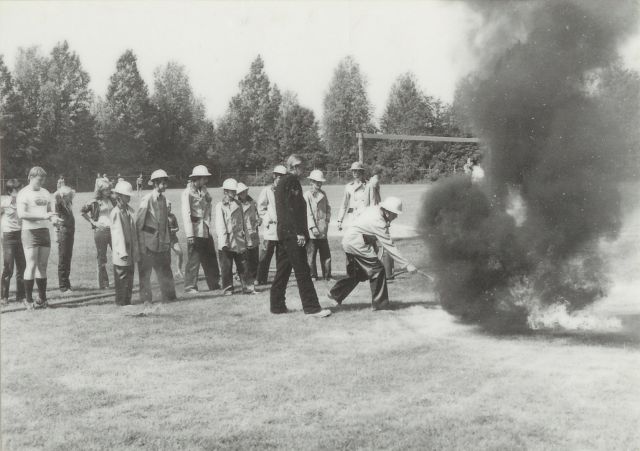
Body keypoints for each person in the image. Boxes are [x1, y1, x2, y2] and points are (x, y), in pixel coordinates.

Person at [327, 197, 417, 310]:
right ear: (388, 212)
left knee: (358, 274)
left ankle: (335, 294)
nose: (397, 216)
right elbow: (389, 245)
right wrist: (407, 264)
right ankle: (380, 306)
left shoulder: (374, 210)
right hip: (356, 244)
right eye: (395, 214)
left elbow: (365, 228)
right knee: (377, 270)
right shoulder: (378, 222)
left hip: (349, 241)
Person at [270, 154, 331, 317]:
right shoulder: (291, 182)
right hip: (292, 234)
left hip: (284, 233)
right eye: (301, 166)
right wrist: (299, 232)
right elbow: (292, 209)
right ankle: (312, 308)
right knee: (303, 270)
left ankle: (277, 306)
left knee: (283, 270)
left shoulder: (281, 182)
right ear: (293, 167)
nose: (303, 169)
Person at [16, 167, 59, 309]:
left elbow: (48, 211)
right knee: (32, 265)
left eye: (43, 180)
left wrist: (53, 218)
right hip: (30, 231)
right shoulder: (23, 193)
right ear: (30, 177)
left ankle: (42, 298)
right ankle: (28, 300)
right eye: (39, 180)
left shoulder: (46, 192)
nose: (41, 182)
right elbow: (22, 214)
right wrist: (43, 216)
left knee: (42, 266)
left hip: (44, 230)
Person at [136, 169, 177, 307]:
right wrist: (141, 245)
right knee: (145, 273)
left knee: (164, 269)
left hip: (162, 242)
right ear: (155, 183)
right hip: (148, 243)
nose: (165, 185)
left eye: (166, 182)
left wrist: (167, 241)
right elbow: (139, 223)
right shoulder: (147, 199)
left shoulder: (164, 199)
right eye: (163, 183)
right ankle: (146, 299)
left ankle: (169, 296)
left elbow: (164, 223)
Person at [181, 165, 220, 293]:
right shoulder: (187, 193)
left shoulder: (204, 190)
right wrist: (190, 235)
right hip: (195, 229)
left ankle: (214, 284)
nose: (206, 181)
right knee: (194, 258)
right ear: (197, 178)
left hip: (205, 228)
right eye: (204, 178)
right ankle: (190, 286)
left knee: (210, 257)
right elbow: (186, 214)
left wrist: (208, 223)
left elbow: (208, 206)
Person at [215, 178, 254, 295]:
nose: (234, 193)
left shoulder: (238, 204)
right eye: (232, 191)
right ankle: (228, 288)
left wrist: (248, 240)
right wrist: (223, 243)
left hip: (239, 240)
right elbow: (220, 225)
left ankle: (248, 287)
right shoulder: (220, 206)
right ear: (225, 191)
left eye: (235, 190)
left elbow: (243, 223)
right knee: (226, 266)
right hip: (227, 241)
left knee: (243, 265)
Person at [81, 178, 115, 289]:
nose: (108, 191)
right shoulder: (94, 201)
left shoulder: (113, 200)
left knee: (118, 255)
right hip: (101, 231)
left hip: (113, 230)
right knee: (102, 258)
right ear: (100, 191)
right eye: (105, 190)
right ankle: (104, 284)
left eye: (109, 189)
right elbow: (83, 212)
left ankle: (119, 280)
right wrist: (93, 222)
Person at [256, 165, 286, 285]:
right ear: (274, 176)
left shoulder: (285, 191)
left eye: (283, 177)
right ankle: (260, 278)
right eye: (279, 177)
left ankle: (280, 279)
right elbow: (261, 208)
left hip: (282, 228)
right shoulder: (267, 190)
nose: (281, 179)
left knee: (281, 256)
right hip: (270, 228)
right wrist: (267, 219)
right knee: (265, 255)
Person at [110, 181, 139, 306]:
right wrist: (122, 252)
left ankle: (127, 301)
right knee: (122, 277)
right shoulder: (116, 212)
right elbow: (117, 234)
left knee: (129, 277)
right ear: (119, 196)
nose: (129, 197)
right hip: (122, 252)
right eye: (126, 195)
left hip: (131, 249)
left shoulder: (128, 210)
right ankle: (121, 302)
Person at [364, 164, 394, 279]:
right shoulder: (374, 182)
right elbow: (373, 202)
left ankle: (375, 269)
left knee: (373, 245)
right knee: (378, 244)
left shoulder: (372, 182)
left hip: (372, 215)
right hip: (373, 217)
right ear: (379, 173)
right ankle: (380, 271)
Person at [304, 169, 332, 281]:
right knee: (311, 254)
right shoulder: (307, 195)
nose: (319, 184)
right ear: (311, 182)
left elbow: (328, 208)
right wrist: (313, 227)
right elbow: (308, 213)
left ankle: (327, 275)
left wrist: (327, 220)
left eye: (320, 182)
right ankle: (312, 275)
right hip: (312, 231)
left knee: (326, 254)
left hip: (323, 229)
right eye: (316, 182)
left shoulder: (323, 194)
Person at [1, 179, 25, 305]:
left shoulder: (22, 203)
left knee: (22, 266)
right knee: (8, 267)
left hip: (20, 236)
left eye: (20, 188)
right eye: (17, 189)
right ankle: (4, 297)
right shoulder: (4, 203)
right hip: (8, 236)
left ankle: (21, 296)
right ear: (10, 191)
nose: (20, 191)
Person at [237, 182, 260, 287]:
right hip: (242, 233)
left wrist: (259, 220)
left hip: (253, 232)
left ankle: (254, 277)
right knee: (244, 257)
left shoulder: (253, 202)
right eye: (241, 192)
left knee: (254, 256)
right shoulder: (236, 204)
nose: (243, 193)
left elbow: (258, 214)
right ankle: (242, 277)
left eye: (245, 191)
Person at [54, 185, 75, 294]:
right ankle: (63, 286)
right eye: (70, 195)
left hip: (70, 232)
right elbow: (56, 220)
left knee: (68, 258)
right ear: (64, 196)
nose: (72, 196)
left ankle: (67, 283)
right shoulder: (59, 204)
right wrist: (56, 234)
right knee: (63, 259)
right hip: (63, 233)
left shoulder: (68, 203)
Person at [337, 161, 367, 231]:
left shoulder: (368, 185)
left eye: (356, 170)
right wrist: (340, 220)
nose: (354, 172)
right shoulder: (349, 187)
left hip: (364, 217)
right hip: (352, 217)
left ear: (361, 172)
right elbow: (344, 205)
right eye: (353, 170)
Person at [167, 202, 183, 279]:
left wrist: (173, 230)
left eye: (170, 207)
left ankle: (178, 271)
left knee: (180, 252)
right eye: (167, 207)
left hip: (173, 239)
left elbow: (177, 228)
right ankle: (166, 274)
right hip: (165, 241)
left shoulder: (173, 216)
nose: (169, 209)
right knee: (166, 257)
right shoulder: (161, 216)